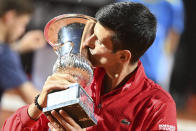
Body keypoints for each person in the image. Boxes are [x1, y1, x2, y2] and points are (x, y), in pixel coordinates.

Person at [2, 2, 177, 131]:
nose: (87, 42)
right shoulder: (75, 79)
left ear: (123, 56)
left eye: (98, 41)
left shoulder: (158, 106)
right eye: (92, 32)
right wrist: (37, 105)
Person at [116, 0, 184, 91]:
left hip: (155, 69)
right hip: (129, 66)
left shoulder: (173, 3)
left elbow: (174, 34)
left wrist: (165, 65)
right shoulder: (126, 2)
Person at [0, 0, 46, 104]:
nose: (22, 31)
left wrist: (19, 46)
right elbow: (35, 100)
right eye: (22, 24)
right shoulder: (5, 56)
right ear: (10, 17)